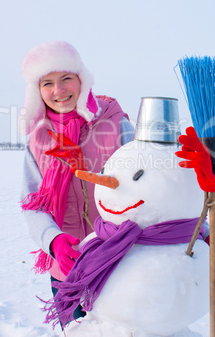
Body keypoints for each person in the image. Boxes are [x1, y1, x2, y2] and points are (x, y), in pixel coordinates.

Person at [19, 40, 134, 320]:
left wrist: (200, 233)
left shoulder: (116, 123)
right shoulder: (38, 140)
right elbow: (33, 204)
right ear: (38, 91)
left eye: (66, 78)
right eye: (47, 83)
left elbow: (155, 188)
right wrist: (53, 240)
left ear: (81, 79)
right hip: (65, 267)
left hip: (121, 260)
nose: (58, 90)